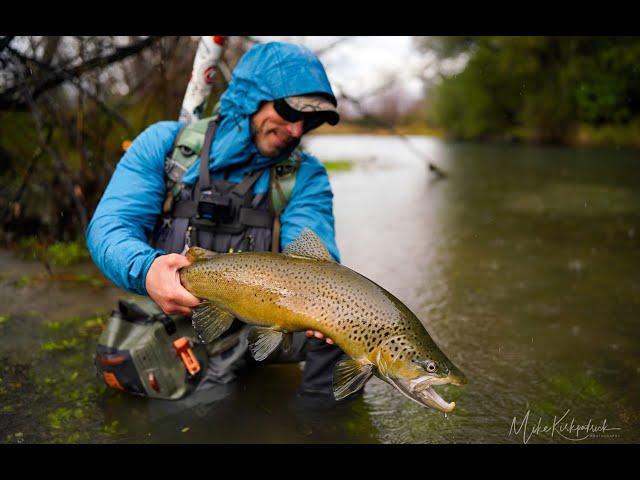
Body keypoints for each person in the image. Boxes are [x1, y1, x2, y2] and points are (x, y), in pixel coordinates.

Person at [86, 41, 348, 402]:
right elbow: (110, 227)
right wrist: (148, 270)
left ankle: (317, 426)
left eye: (312, 120)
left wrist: (325, 300)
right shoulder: (165, 145)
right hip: (177, 313)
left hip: (257, 322)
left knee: (344, 341)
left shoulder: (305, 175)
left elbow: (312, 251)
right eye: (289, 111)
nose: (297, 130)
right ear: (253, 97)